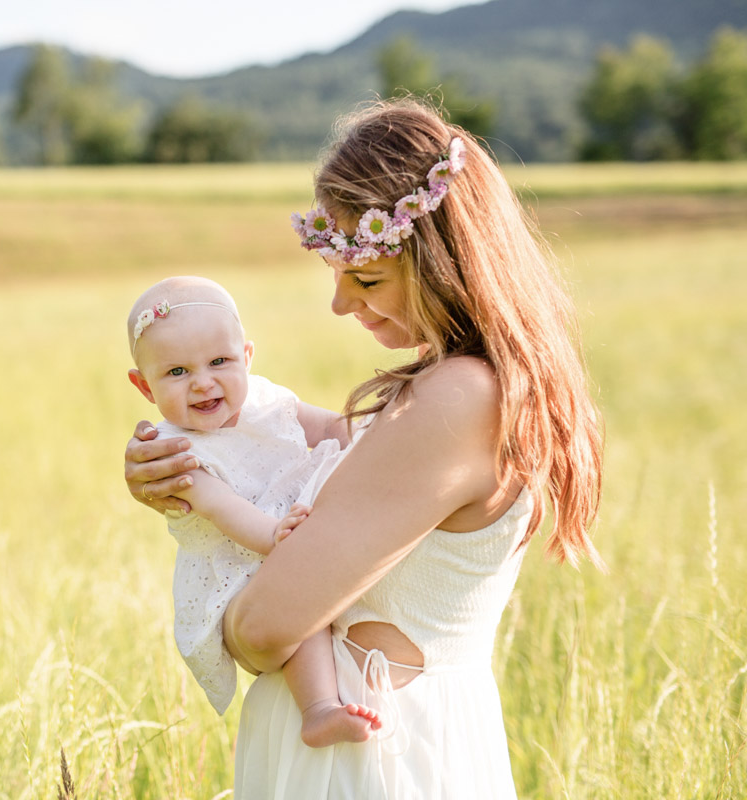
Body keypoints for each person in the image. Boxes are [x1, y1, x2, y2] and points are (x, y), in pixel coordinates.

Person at [123, 99, 604, 798]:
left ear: (442, 260)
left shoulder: (460, 397)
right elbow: (321, 452)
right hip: (402, 731)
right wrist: (183, 468)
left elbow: (265, 630)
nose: (341, 303)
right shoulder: (469, 390)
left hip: (377, 753)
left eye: (368, 278)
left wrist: (218, 598)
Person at [126, 275, 381, 747]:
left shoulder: (266, 400)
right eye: (176, 373)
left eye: (218, 362)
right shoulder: (174, 450)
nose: (203, 383)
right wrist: (276, 537)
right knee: (301, 615)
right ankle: (319, 709)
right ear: (145, 386)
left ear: (246, 357)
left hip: (288, 531)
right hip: (244, 562)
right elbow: (223, 509)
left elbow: (326, 426)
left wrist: (376, 433)